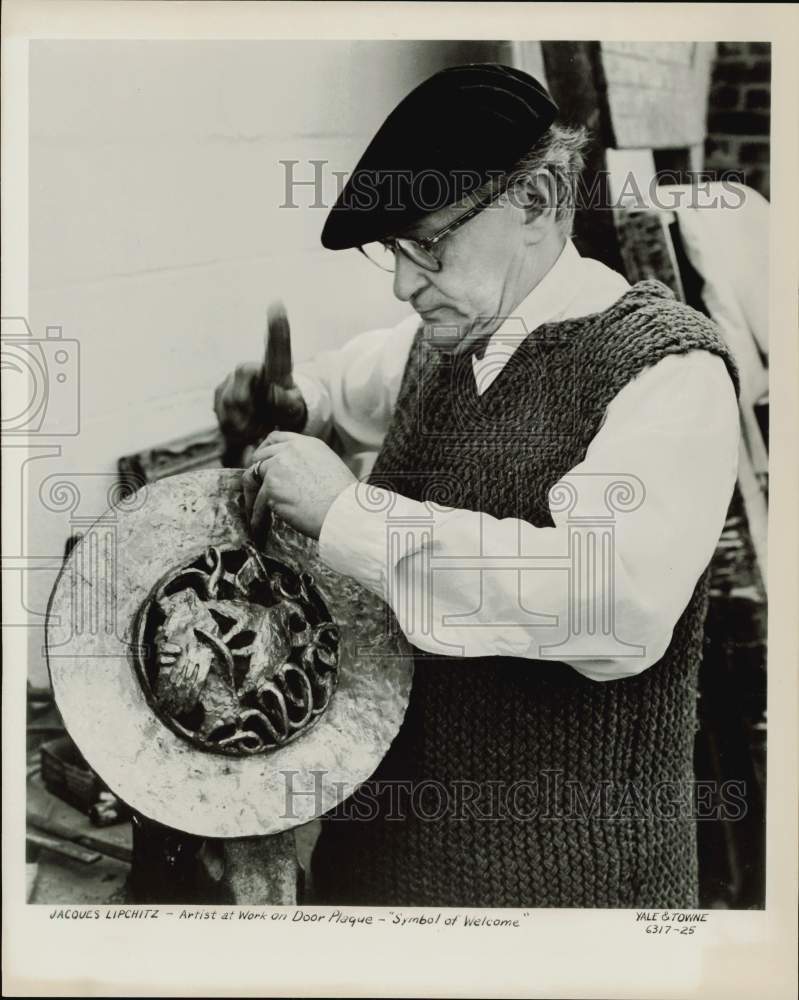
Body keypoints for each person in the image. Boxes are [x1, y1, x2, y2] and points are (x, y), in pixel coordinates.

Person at [214, 64, 740, 908]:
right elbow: (348, 383)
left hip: (568, 902)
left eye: (429, 245)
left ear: (536, 200)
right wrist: (295, 402)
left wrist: (351, 515)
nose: (402, 281)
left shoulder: (664, 368)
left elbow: (611, 604)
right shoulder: (444, 336)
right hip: (384, 868)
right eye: (393, 250)